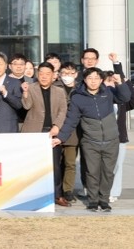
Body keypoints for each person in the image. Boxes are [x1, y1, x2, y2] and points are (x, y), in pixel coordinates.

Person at [52, 67, 131, 211]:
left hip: (111, 140)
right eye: (90, 78)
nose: (93, 81)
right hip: (90, 141)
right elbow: (71, 120)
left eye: (96, 78)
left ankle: (104, 200)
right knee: (92, 172)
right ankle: (93, 200)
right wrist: (61, 138)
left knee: (108, 172)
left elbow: (125, 98)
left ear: (101, 80)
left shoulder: (108, 92)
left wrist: (120, 84)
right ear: (84, 80)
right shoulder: (77, 97)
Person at [21, 62, 69, 207]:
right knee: (33, 165)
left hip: (52, 133)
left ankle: (57, 195)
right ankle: (32, 194)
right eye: (41, 73)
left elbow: (63, 111)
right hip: (33, 131)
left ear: (53, 75)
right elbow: (27, 106)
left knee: (55, 165)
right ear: (37, 74)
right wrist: (25, 93)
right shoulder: (31, 88)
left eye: (47, 74)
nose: (44, 77)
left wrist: (57, 126)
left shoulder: (59, 91)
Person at [109, 52, 134, 203]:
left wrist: (118, 69)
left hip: (119, 138)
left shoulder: (122, 101)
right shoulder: (102, 98)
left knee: (117, 165)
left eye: (115, 81)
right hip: (102, 138)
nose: (112, 83)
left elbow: (131, 97)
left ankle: (114, 192)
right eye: (109, 81)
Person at [57, 61, 80, 202]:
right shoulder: (55, 87)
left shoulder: (81, 89)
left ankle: (68, 190)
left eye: (71, 73)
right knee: (57, 163)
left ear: (76, 74)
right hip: (57, 129)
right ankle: (57, 190)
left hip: (73, 132)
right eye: (65, 73)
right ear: (59, 74)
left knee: (70, 163)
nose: (68, 76)